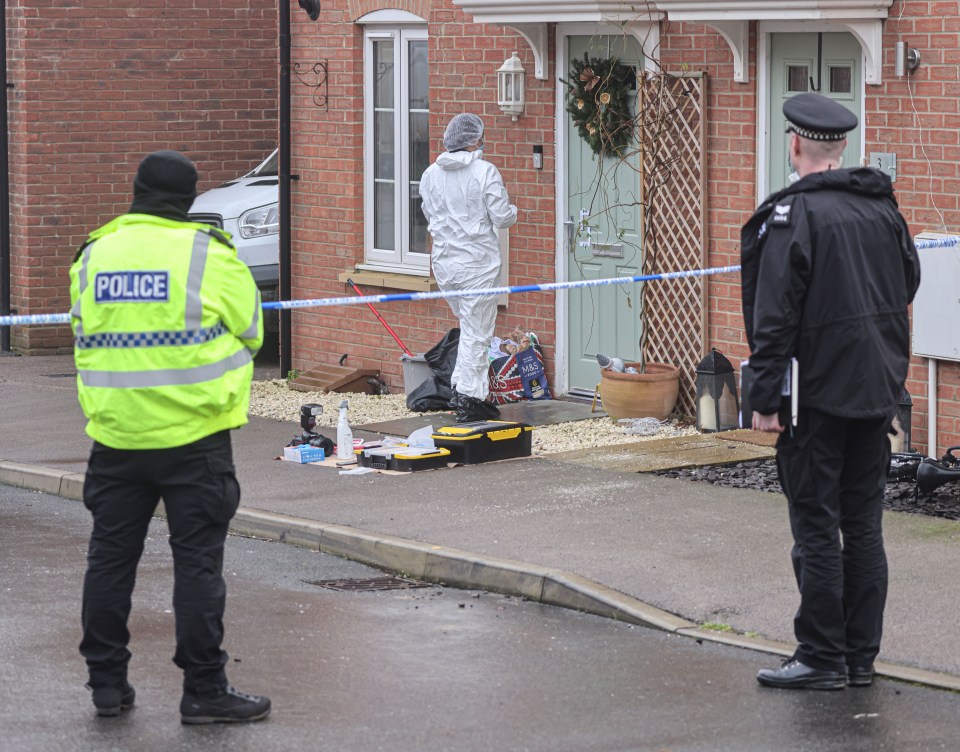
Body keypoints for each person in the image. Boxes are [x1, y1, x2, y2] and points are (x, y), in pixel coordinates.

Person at [69, 150, 271, 723]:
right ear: (188, 200)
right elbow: (251, 333)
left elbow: (84, 333)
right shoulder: (209, 254)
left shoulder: (93, 255)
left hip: (115, 437)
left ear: (135, 192)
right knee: (197, 566)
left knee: (109, 562)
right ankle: (204, 692)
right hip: (195, 438)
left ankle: (106, 685)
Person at [741, 93, 921, 690]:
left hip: (815, 397)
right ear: (840, 149)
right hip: (875, 391)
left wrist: (763, 397)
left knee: (817, 525)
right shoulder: (883, 210)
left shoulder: (796, 216)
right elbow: (908, 283)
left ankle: (821, 655)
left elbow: (775, 316)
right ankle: (859, 658)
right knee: (864, 525)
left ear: (795, 146)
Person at [419, 113, 518, 422]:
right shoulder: (484, 171)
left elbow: (428, 213)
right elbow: (502, 217)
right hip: (477, 263)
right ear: (474, 140)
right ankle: (469, 399)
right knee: (478, 332)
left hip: (445, 264)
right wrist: (514, 210)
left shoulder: (430, 174)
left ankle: (465, 390)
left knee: (470, 328)